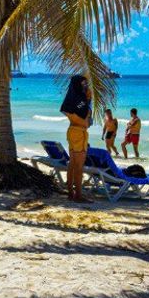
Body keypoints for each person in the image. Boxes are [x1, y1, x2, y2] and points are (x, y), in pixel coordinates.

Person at [59, 75, 93, 203]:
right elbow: (85, 116)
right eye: (84, 84)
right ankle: (78, 195)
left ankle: (70, 193)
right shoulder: (82, 99)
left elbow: (69, 112)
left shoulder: (70, 99)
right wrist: (88, 98)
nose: (85, 86)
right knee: (79, 166)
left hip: (72, 131)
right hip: (79, 132)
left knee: (72, 164)